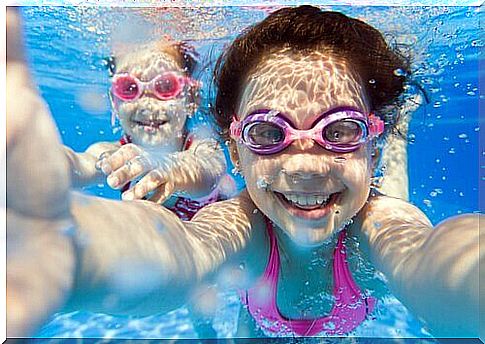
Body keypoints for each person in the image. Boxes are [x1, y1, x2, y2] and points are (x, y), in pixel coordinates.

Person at [6, 6, 481, 339]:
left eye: (340, 130)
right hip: (261, 319)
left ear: (369, 146)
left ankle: (395, 138)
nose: (304, 165)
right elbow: (184, 248)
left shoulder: (382, 229)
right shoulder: (243, 226)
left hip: (366, 210)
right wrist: (63, 243)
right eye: (268, 134)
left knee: (392, 194)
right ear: (236, 151)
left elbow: (431, 257)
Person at [64, 37, 229, 219]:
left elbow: (208, 172)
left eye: (166, 86)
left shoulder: (202, 147)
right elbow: (81, 163)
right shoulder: (115, 155)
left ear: (192, 98)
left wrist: (167, 166)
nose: (147, 105)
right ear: (114, 101)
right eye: (128, 87)